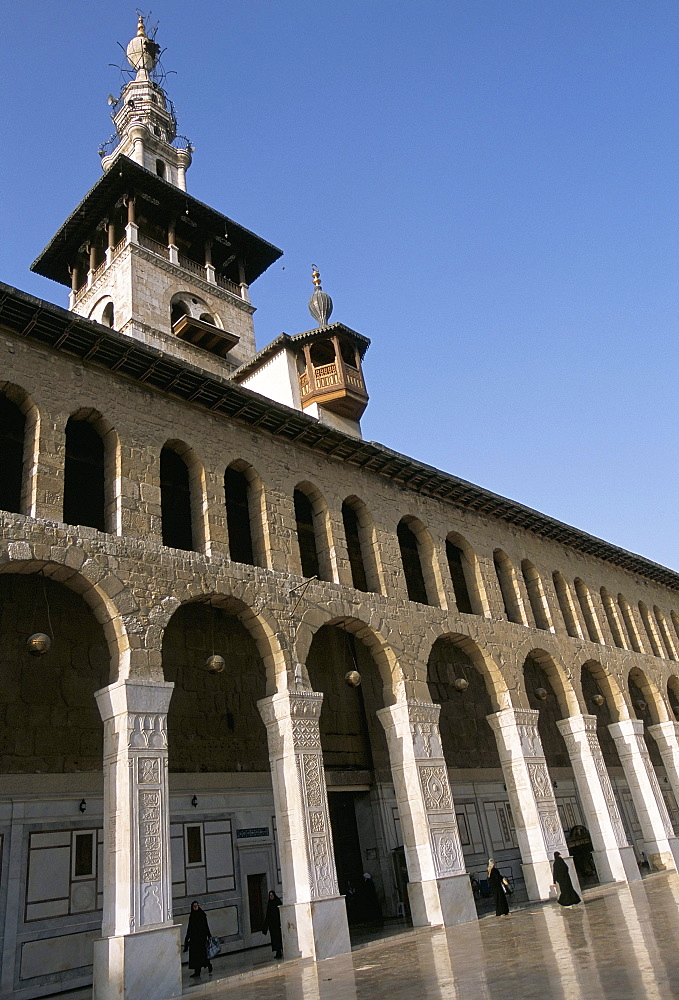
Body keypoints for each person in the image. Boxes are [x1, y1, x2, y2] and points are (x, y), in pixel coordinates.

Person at [184, 900, 213, 978]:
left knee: (202, 954)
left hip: (201, 938)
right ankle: (197, 971)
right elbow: (189, 928)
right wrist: (187, 939)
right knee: (195, 956)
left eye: (196, 906)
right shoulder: (192, 916)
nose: (195, 908)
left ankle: (208, 965)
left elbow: (206, 926)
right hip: (194, 939)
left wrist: (209, 935)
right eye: (194, 906)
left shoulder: (202, 915)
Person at [262, 890, 283, 959]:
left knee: (279, 938)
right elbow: (268, 916)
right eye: (270, 896)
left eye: (272, 895)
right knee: (275, 939)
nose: (271, 897)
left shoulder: (277, 902)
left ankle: (280, 951)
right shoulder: (269, 904)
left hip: (277, 925)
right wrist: (265, 927)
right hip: (272, 926)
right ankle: (278, 952)